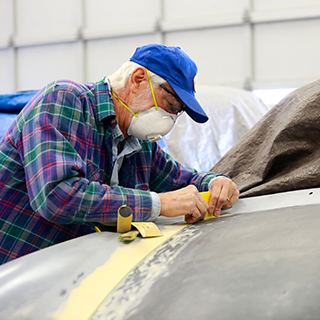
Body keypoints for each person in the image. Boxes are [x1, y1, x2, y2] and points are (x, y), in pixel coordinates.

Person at [0, 44, 239, 264]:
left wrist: (215, 183)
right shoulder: (65, 101)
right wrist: (158, 204)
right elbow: (57, 196)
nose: (169, 119)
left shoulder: (138, 143)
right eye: (170, 106)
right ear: (137, 79)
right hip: (15, 273)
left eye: (178, 113)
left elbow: (182, 180)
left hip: (68, 276)